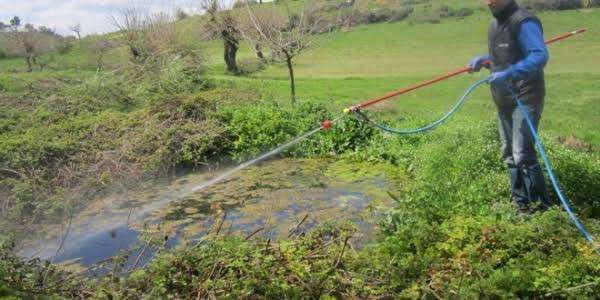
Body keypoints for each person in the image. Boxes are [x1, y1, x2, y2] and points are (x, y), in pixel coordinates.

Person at [469, 0, 552, 213]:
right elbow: (504, 57)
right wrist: (485, 61)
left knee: (522, 153)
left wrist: (510, 73)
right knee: (508, 153)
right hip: (503, 99)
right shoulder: (494, 26)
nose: (489, 2)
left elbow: (539, 55)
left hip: (525, 96)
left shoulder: (524, 21)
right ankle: (521, 204)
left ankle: (541, 209)